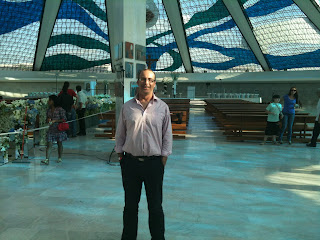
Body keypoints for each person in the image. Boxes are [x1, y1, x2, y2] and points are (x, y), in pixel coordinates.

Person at [115, 69, 172, 240]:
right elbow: (121, 133)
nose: (146, 83)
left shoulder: (162, 108)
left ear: (155, 83)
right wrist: (120, 154)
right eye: (142, 79)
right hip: (130, 163)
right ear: (138, 82)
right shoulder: (128, 107)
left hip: (154, 164)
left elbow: (167, 135)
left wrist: (163, 158)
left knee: (155, 206)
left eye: (150, 80)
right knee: (130, 206)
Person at [41, 95, 67, 165]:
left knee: (59, 143)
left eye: (50, 100)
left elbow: (64, 119)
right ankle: (47, 159)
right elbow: (47, 119)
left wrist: (55, 121)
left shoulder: (60, 109)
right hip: (51, 129)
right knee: (49, 144)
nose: (48, 102)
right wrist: (48, 120)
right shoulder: (48, 110)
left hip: (59, 128)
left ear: (53, 101)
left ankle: (60, 157)